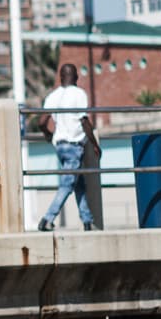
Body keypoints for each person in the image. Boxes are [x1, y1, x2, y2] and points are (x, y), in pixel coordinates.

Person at [38, 63, 98, 231]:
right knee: (67, 184)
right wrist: (95, 144)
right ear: (76, 77)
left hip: (60, 145)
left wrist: (48, 135)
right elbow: (84, 122)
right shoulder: (79, 94)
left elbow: (41, 122)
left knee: (78, 184)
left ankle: (87, 220)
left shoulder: (53, 96)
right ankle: (47, 219)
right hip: (74, 145)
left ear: (61, 77)